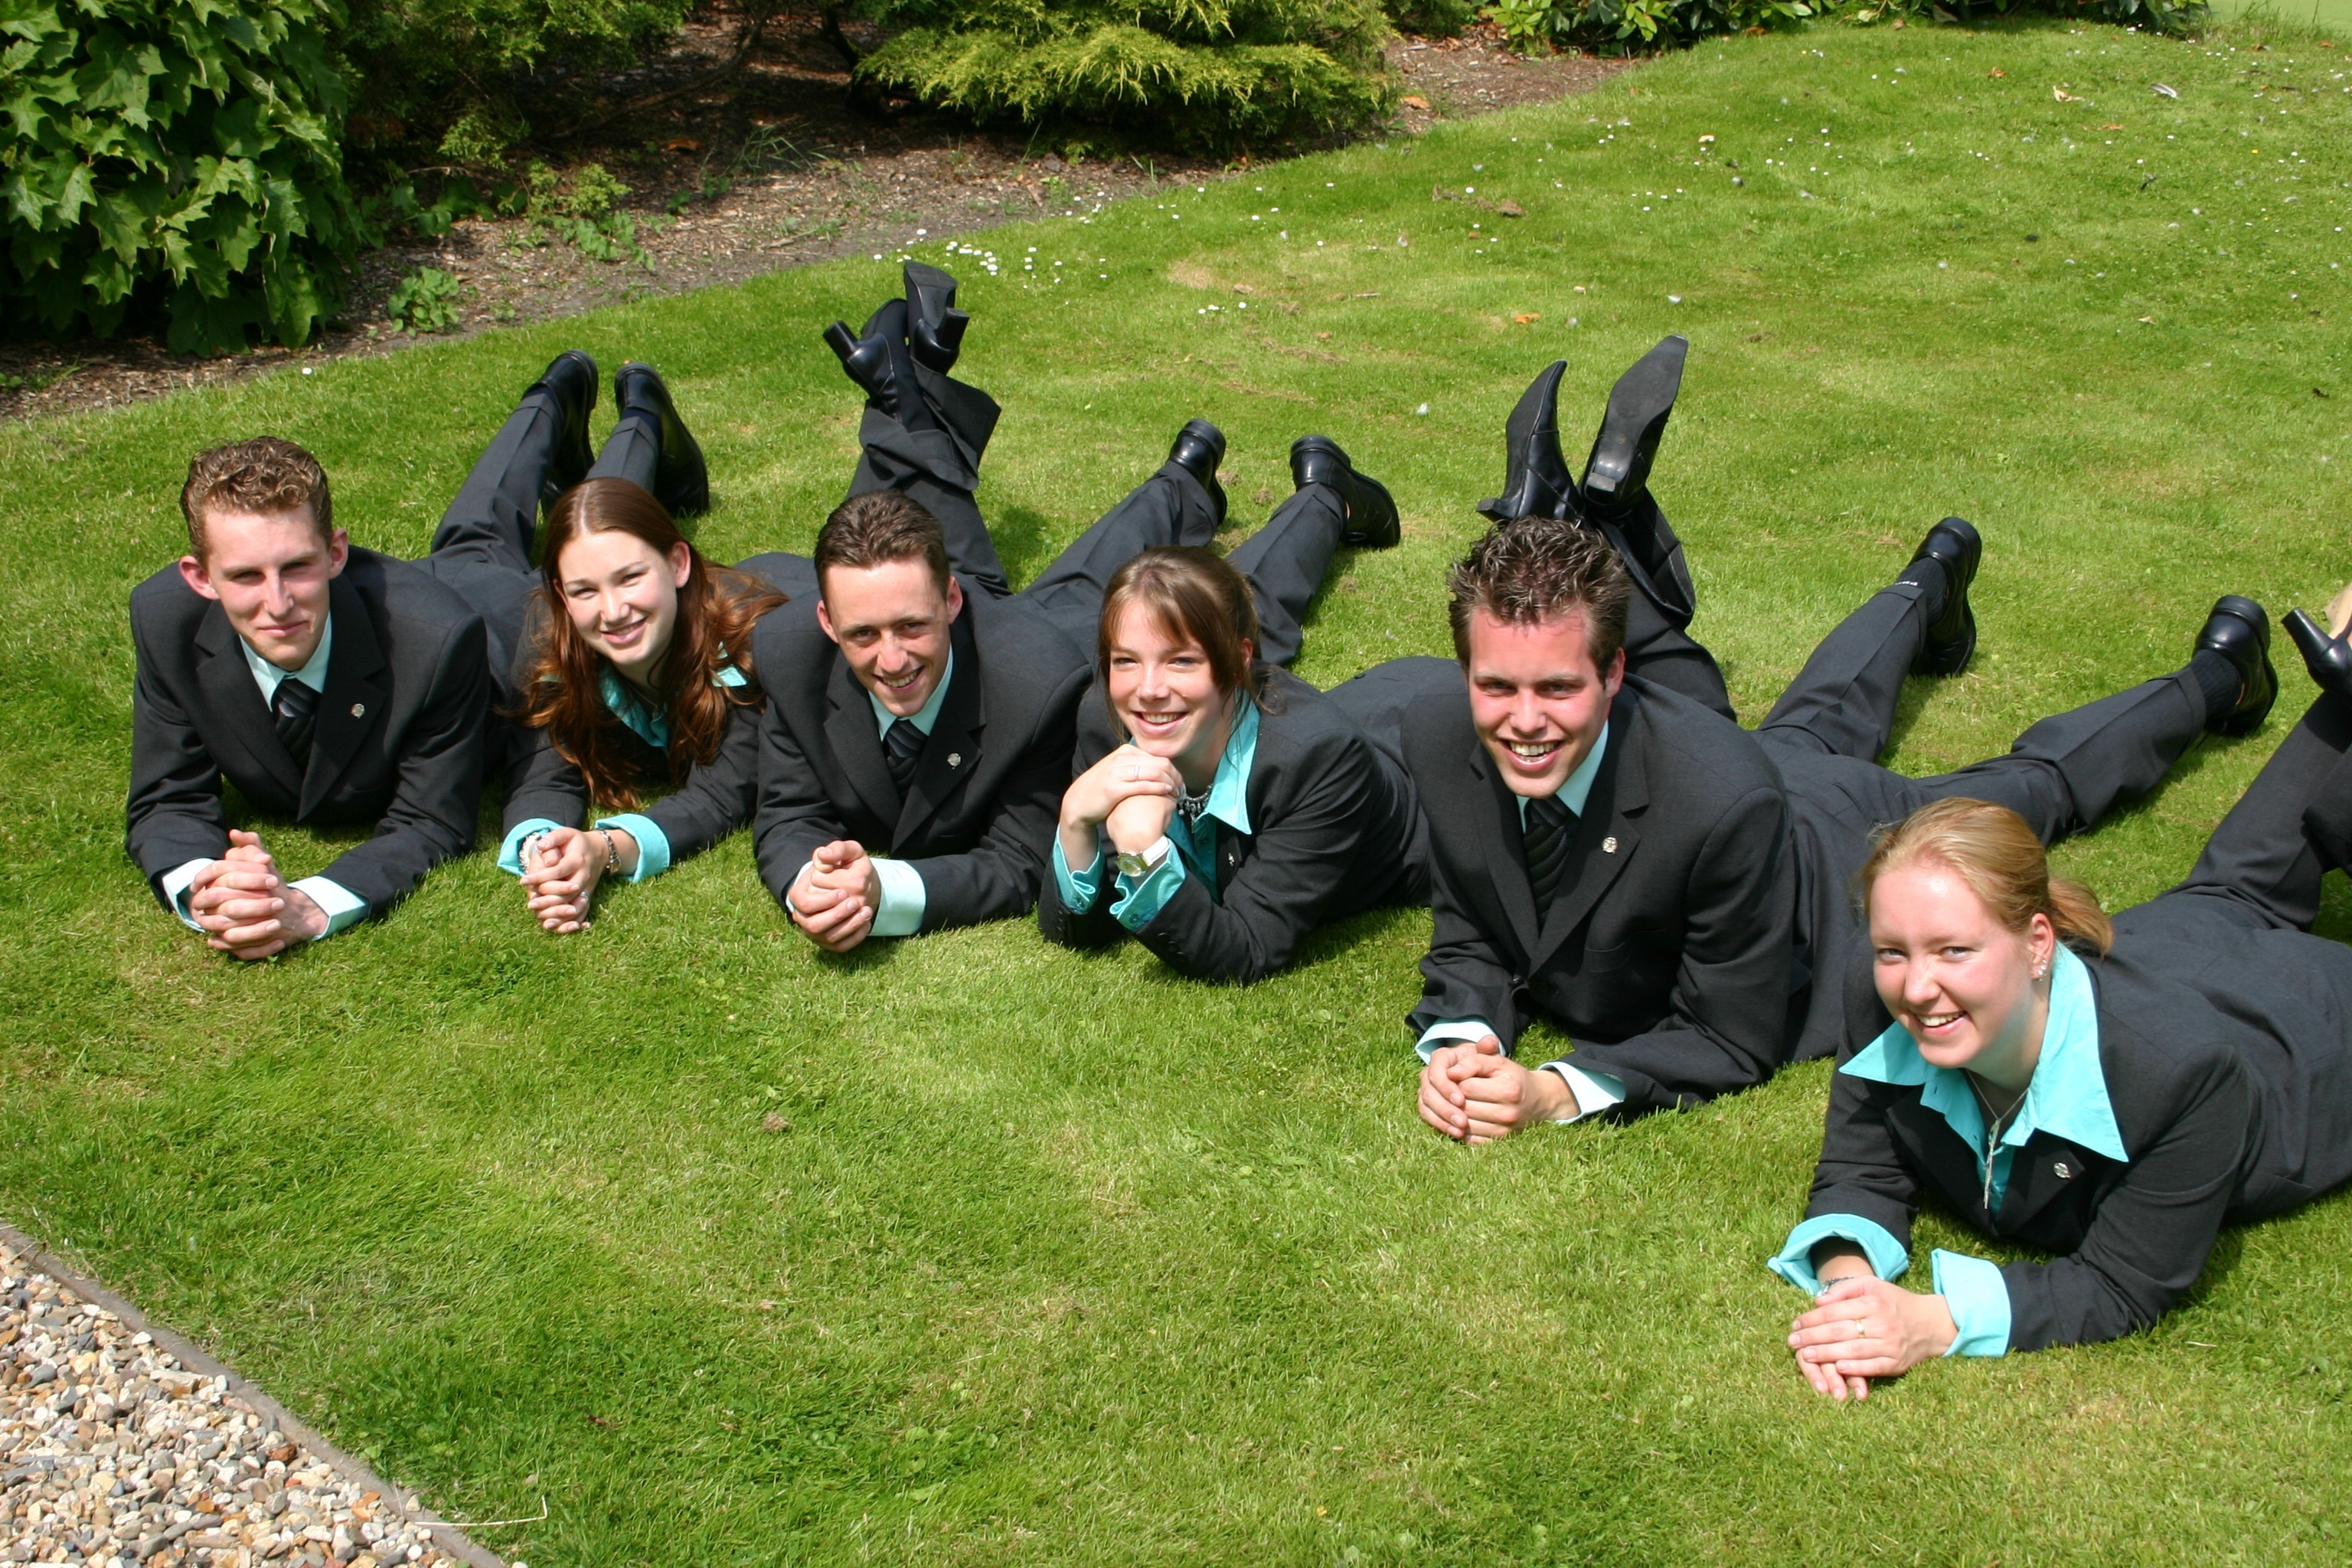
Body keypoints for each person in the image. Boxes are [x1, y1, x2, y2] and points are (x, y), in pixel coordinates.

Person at [1409, 350, 2278, 1137]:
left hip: (1842, 838)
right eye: (1498, 686)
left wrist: (1557, 1090)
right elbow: (1476, 921)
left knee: (2035, 785)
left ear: (1615, 674)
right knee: (1819, 713)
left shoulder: (1720, 799)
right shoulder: (1441, 735)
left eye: (1558, 688)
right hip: (1744, 775)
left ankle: (2219, 680)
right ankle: (1931, 581)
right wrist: (1464, 1040)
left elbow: (1730, 1034)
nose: (1523, 720)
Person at [755, 265, 1386, 949]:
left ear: (950, 600)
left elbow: (1020, 858)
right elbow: (787, 811)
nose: (890, 657)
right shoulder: (793, 653)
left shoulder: (1047, 691)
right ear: (829, 624)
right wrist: (807, 883)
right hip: (1027, 630)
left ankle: (1326, 497)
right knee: (1085, 576)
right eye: (864, 634)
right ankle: (1184, 481)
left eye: (911, 623)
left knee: (1224, 601)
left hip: (1055, 654)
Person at [1772, 712, 2352, 1387]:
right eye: (1893, 951)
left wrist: (1933, 1322)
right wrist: (1848, 1290)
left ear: (2038, 943)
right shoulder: (1879, 985)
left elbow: (2125, 1281)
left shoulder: (2186, 1075)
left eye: (1954, 950)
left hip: (2309, 1025)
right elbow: (1860, 1164)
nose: (1918, 987)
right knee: (2235, 886)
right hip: (2186, 936)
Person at [457, 352, 814, 932]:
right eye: (584, 590)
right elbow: (544, 765)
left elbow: (722, 794)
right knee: (597, 516)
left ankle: (647, 414)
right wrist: (545, 848)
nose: (614, 611)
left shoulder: (755, 651)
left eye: (630, 578)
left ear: (678, 563)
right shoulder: (550, 633)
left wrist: (605, 848)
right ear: (560, 594)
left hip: (786, 589)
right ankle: (635, 410)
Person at [126, 437, 494, 957]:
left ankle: (564, 408)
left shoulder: (439, 641)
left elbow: (432, 819)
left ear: (335, 553)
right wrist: (207, 888)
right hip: (413, 590)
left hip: (501, 621)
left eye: (297, 567)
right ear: (200, 578)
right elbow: (168, 795)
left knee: (500, 543)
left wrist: (307, 904)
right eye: (246, 576)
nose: (277, 604)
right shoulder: (164, 622)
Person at [1040, 535, 1419, 983]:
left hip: (1420, 766)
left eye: (1181, 661)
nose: (1148, 689)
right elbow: (1080, 931)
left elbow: (1246, 950)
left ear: (1238, 661)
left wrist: (1143, 851)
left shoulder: (1319, 761)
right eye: (1126, 660)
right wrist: (1075, 823)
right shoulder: (1106, 720)